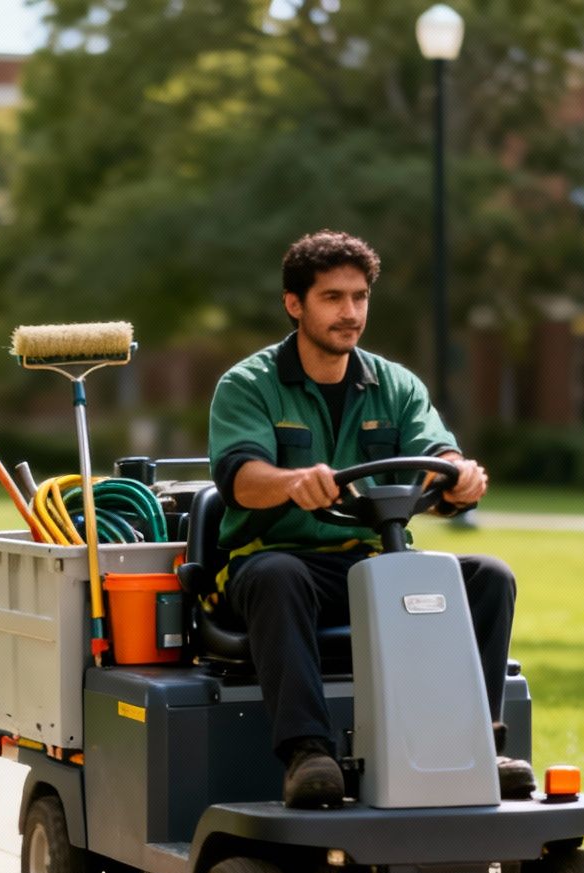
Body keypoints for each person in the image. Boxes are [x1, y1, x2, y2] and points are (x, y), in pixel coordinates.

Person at [208, 230, 529, 810]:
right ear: (294, 304)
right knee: (278, 575)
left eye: (359, 297)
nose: (350, 312)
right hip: (272, 566)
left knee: (488, 576)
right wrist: (291, 482)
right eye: (332, 297)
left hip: (373, 563)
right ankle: (308, 754)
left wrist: (459, 478)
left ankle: (479, 742)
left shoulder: (397, 385)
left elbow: (437, 455)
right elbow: (240, 478)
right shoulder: (247, 386)